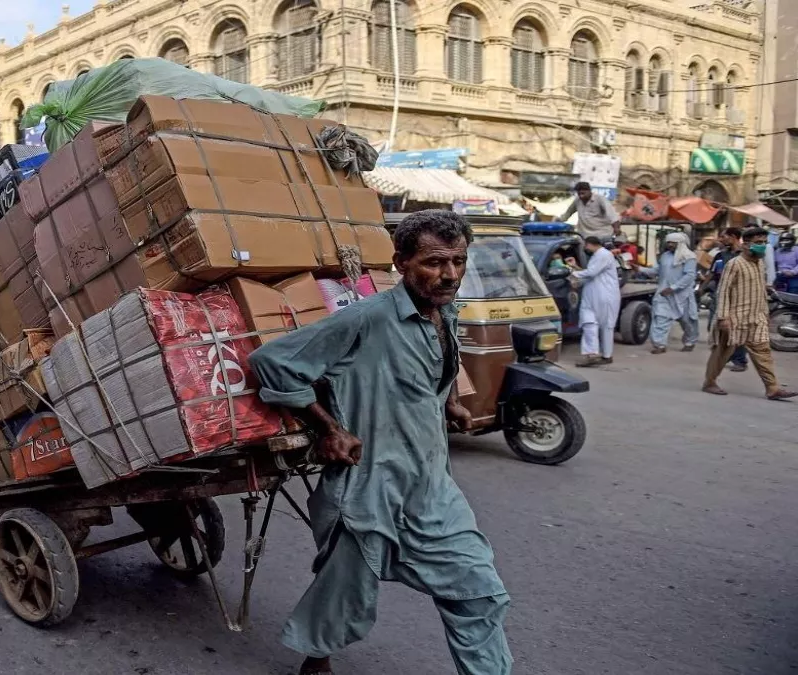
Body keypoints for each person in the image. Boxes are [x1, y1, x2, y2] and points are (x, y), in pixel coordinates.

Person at [248, 210, 511, 675]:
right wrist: (330, 428)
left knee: (478, 587)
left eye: (458, 261)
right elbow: (273, 362)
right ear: (401, 263)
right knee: (344, 589)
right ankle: (317, 659)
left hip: (432, 488)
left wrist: (446, 401)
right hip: (366, 487)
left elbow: (432, 368)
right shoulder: (365, 318)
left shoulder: (444, 312)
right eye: (433, 262)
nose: (449, 274)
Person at [703, 227, 798, 400]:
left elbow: (761, 289)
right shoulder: (734, 264)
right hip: (734, 317)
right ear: (745, 244)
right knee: (722, 352)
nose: (762, 246)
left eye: (764, 242)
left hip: (756, 316)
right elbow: (723, 291)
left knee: (763, 351)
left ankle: (772, 388)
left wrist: (765, 313)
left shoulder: (759, 263)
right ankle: (710, 382)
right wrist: (724, 317)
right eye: (758, 243)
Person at [571, 236, 621, 367]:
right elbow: (590, 274)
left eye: (585, 246)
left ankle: (607, 355)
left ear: (590, 244)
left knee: (606, 326)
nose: (585, 249)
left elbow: (592, 273)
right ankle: (591, 354)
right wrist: (574, 267)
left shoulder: (604, 254)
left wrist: (572, 273)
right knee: (588, 323)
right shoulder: (596, 256)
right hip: (591, 296)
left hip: (605, 296)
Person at [648, 232, 700, 353]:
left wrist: (673, 288)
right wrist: (639, 269)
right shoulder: (665, 256)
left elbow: (689, 276)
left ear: (680, 244)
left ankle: (690, 341)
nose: (670, 245)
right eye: (668, 242)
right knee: (660, 317)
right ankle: (660, 345)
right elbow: (657, 270)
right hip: (663, 293)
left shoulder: (689, 257)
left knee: (688, 321)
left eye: (673, 243)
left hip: (682, 295)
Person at [708, 228, 749, 372]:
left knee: (736, 329)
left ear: (733, 237)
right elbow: (712, 273)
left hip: (739, 297)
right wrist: (702, 288)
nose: (721, 239)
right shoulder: (720, 255)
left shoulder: (745, 255)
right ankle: (725, 357)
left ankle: (740, 361)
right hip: (720, 295)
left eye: (724, 237)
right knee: (716, 328)